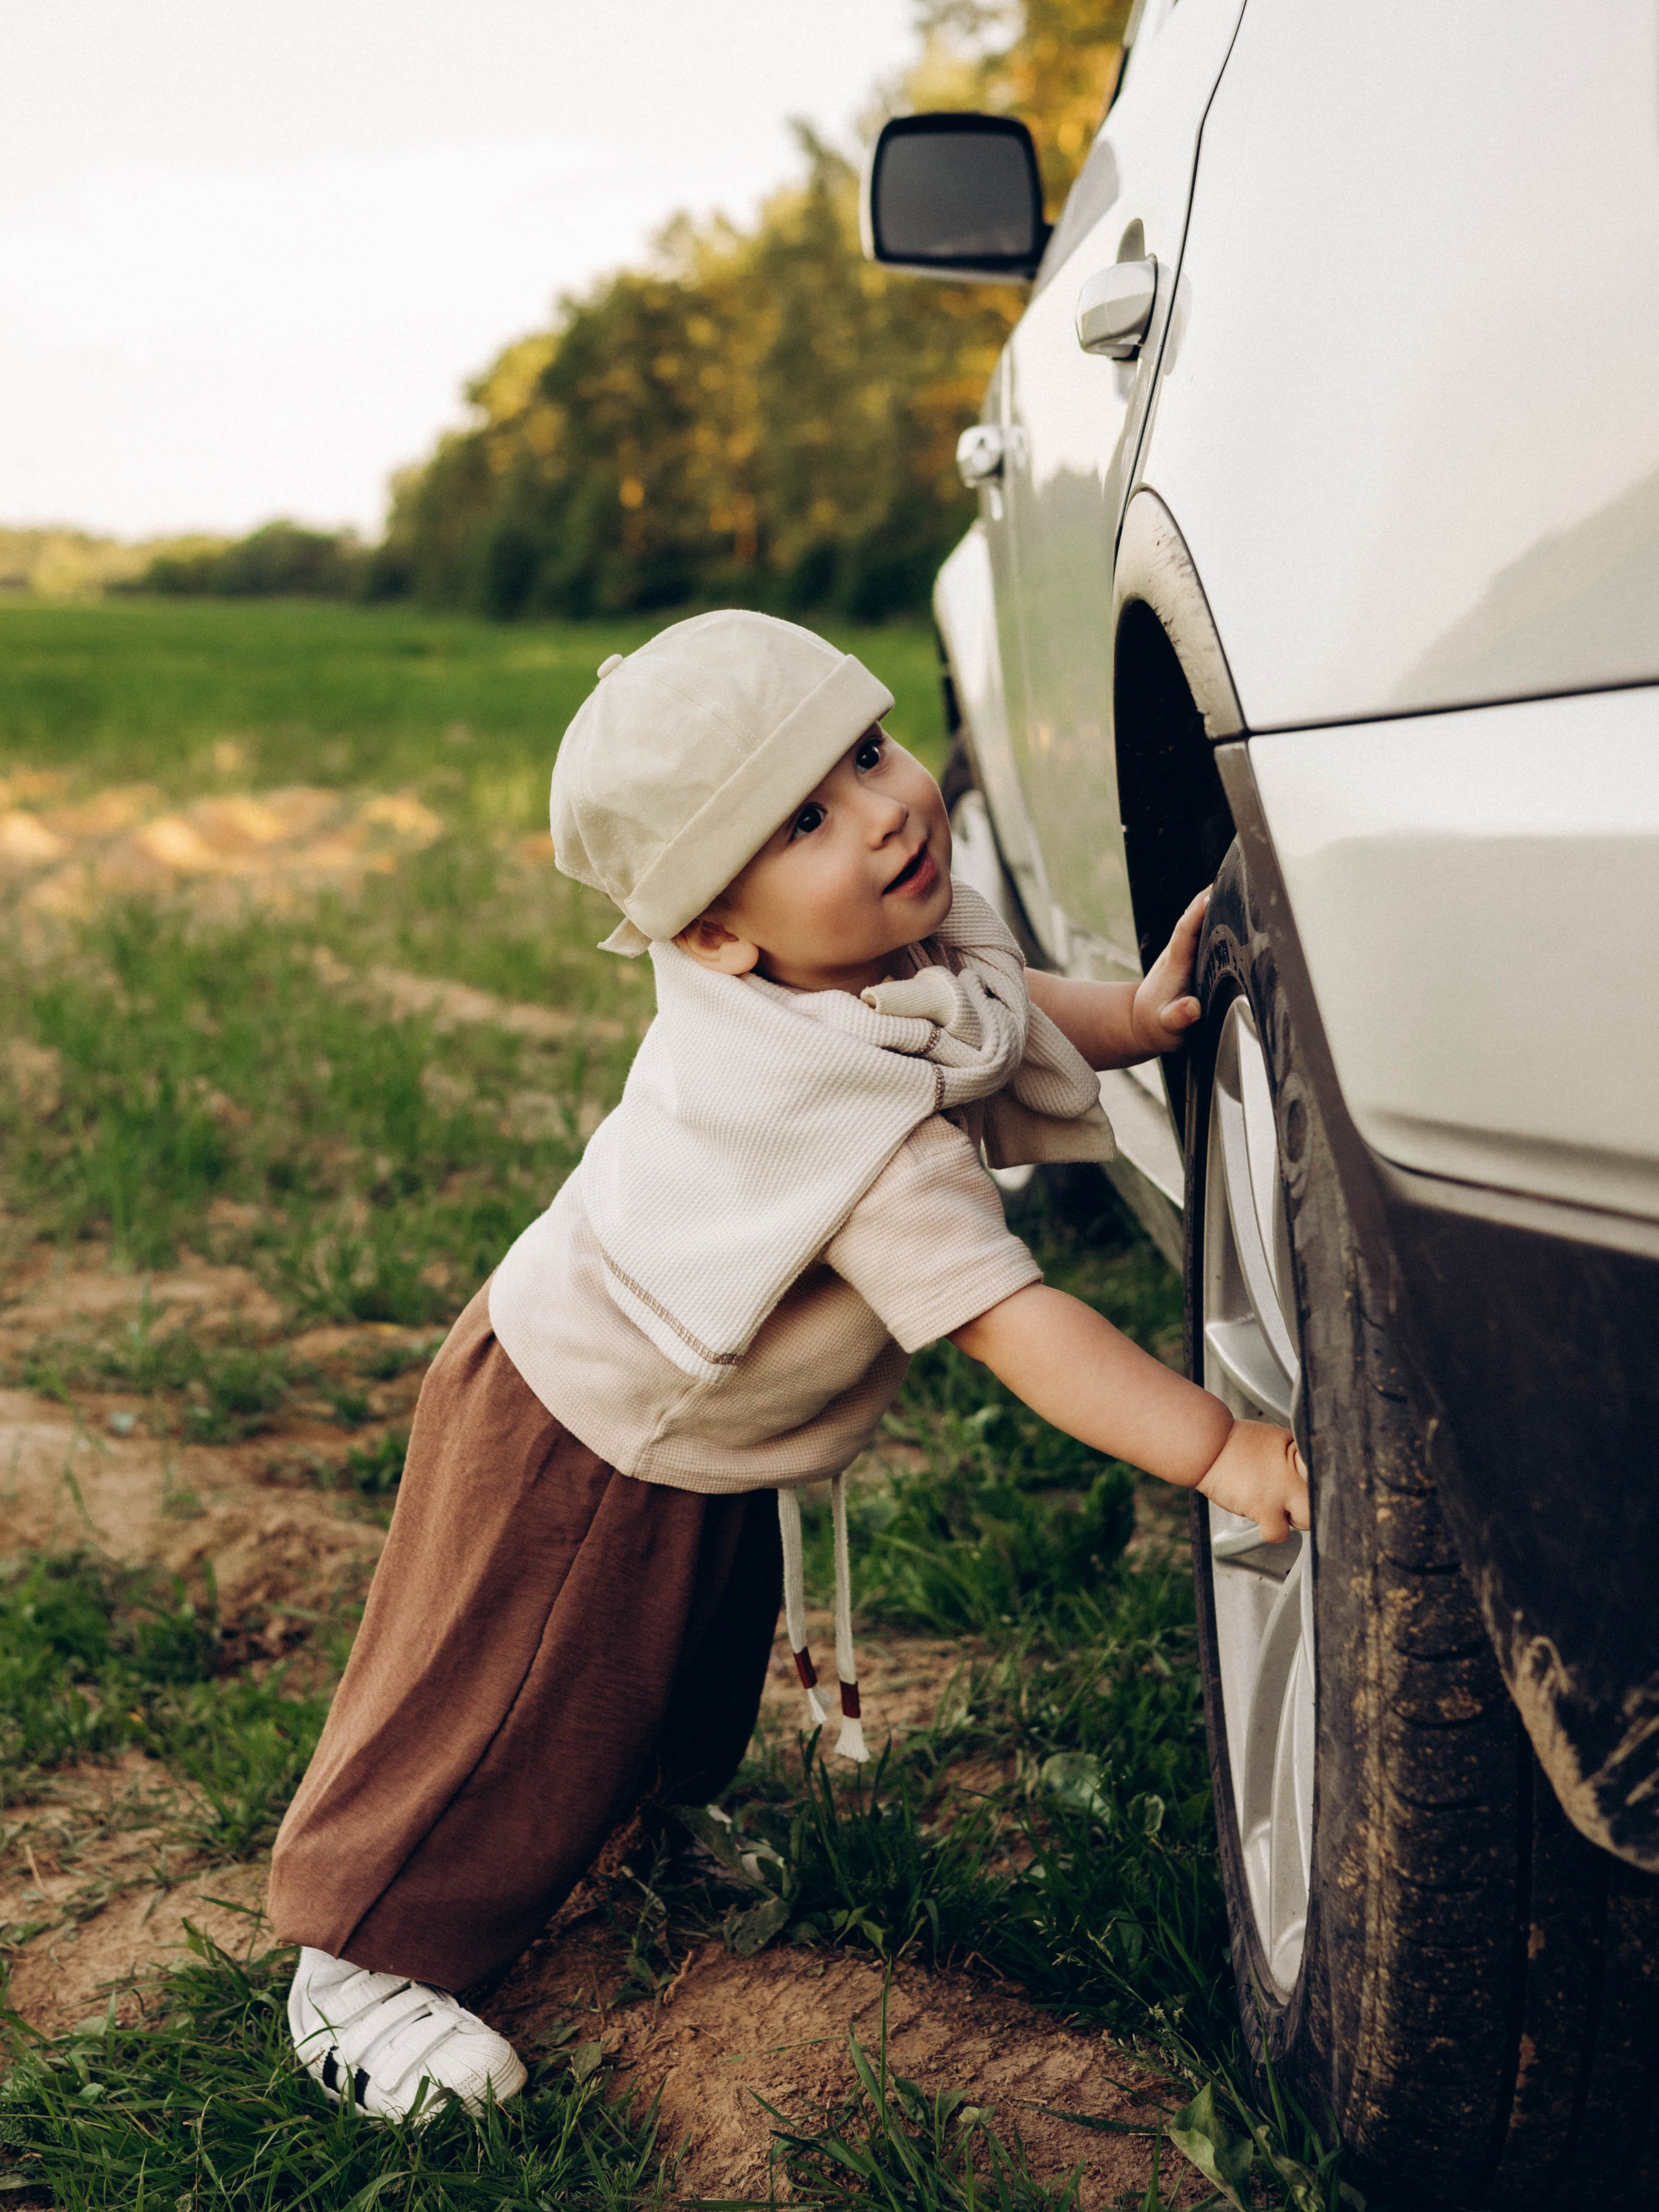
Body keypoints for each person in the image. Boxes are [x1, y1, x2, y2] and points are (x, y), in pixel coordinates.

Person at [267, 611, 1308, 2122]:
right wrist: (1217, 1451)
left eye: (870, 750)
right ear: (713, 931)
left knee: (678, 1653)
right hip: (578, 1419)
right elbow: (1017, 1323)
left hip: (701, 1413)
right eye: (806, 817)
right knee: (503, 1688)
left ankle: (642, 1820)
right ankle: (358, 1955)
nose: (887, 805)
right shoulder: (842, 1131)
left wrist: (1132, 1022)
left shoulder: (881, 958)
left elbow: (999, 1015)